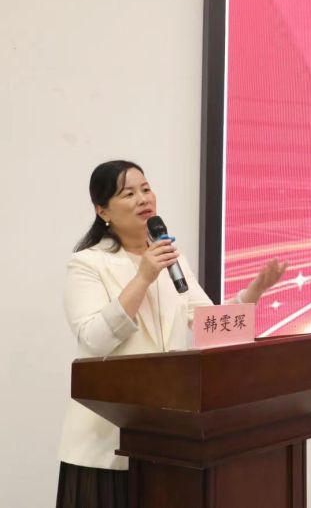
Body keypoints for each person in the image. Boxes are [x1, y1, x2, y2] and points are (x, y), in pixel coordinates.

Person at [55, 160, 287, 508]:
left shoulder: (172, 259)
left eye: (146, 189)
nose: (142, 199)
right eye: (128, 194)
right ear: (102, 210)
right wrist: (144, 276)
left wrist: (254, 292)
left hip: (167, 439)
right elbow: (94, 339)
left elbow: (210, 326)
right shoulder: (88, 264)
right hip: (107, 440)